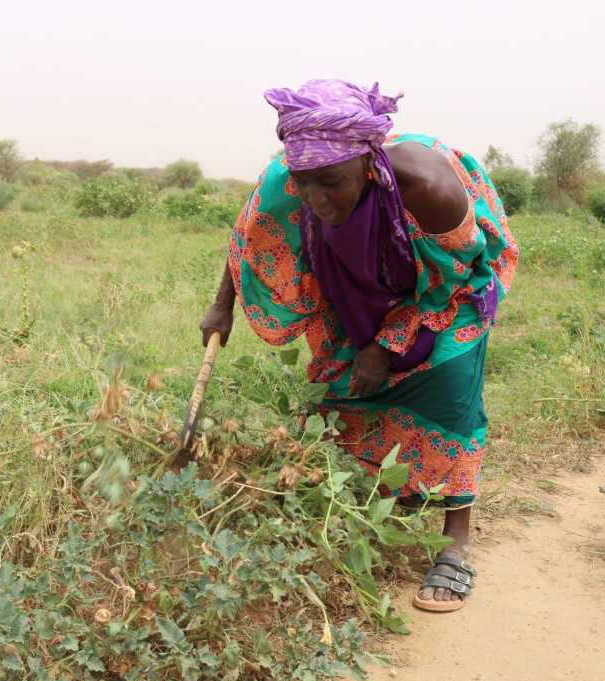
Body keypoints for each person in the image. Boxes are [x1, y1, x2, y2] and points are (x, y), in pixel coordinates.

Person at [199, 79, 518, 612]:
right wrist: (222, 304)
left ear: (369, 165)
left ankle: (456, 541)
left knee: (449, 389)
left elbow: (455, 279)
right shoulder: (291, 177)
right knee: (340, 391)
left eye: (331, 182)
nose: (316, 199)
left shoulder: (430, 190)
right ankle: (373, 500)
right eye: (304, 185)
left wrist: (388, 344)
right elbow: (249, 235)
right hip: (351, 281)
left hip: (450, 283)